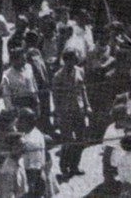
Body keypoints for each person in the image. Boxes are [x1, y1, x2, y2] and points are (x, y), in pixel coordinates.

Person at [52, 49, 90, 182]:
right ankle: (64, 167)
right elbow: (55, 97)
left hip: (79, 110)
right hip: (65, 112)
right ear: (66, 60)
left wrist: (87, 105)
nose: (75, 61)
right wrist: (58, 115)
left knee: (80, 140)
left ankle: (74, 166)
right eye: (72, 59)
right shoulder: (58, 76)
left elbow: (83, 89)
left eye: (75, 59)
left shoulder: (79, 71)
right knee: (67, 141)